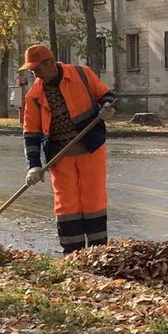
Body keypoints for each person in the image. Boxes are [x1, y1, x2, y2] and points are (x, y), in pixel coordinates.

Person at [20, 44, 117, 254]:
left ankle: (98, 252)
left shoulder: (82, 74)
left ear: (50, 63)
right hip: (59, 156)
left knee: (93, 199)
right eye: (31, 71)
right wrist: (33, 166)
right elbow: (31, 134)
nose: (34, 74)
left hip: (91, 148)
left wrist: (107, 108)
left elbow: (107, 95)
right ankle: (72, 254)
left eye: (36, 69)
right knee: (66, 205)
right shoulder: (34, 95)